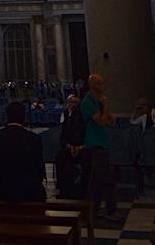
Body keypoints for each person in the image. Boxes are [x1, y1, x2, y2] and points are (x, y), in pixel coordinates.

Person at [0, 100, 46, 202]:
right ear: (24, 117)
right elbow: (39, 168)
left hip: (2, 190)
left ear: (7, 116)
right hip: (29, 191)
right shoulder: (34, 138)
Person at [81, 72, 118, 222]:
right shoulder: (88, 102)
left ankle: (91, 208)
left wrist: (105, 111)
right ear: (92, 85)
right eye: (99, 83)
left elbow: (110, 121)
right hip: (95, 144)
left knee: (95, 181)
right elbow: (102, 121)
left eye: (102, 83)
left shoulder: (98, 102)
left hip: (102, 142)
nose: (102, 86)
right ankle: (111, 210)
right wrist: (107, 106)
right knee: (107, 178)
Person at [56, 94, 86, 199]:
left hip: (82, 146)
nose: (73, 105)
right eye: (71, 102)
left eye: (76, 103)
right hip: (69, 146)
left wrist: (80, 147)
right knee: (60, 157)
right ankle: (63, 187)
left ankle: (83, 188)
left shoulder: (83, 117)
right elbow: (63, 135)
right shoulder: (65, 115)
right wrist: (69, 146)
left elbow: (85, 134)